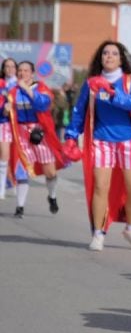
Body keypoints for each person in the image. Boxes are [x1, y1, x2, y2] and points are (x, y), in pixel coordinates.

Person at [65, 41, 131, 250]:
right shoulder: (91, 84)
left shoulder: (129, 81)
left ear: (121, 59)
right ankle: (98, 233)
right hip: (101, 140)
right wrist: (71, 135)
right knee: (100, 187)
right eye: (105, 53)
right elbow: (80, 111)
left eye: (114, 53)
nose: (109, 56)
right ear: (100, 57)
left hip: (128, 141)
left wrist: (114, 95)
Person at [4, 60, 69, 218]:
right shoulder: (13, 92)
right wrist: (6, 110)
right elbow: (9, 112)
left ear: (32, 73)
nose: (22, 73)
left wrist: (27, 89)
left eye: (26, 71)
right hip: (21, 133)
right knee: (22, 170)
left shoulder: (41, 88)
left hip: (40, 133)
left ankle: (52, 196)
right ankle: (20, 207)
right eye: (20, 70)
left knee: (50, 172)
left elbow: (43, 104)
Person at [0, 57, 17, 199]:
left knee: (10, 156)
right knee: (3, 156)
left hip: (16, 126)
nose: (9, 69)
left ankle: (11, 183)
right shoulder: (1, 84)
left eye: (12, 66)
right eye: (7, 66)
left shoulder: (19, 85)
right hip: (3, 122)